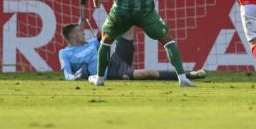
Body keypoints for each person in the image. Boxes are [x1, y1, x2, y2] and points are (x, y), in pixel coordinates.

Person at [59, 24, 206, 81]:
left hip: (115, 58)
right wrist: (73, 77)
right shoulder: (65, 53)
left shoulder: (92, 42)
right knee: (147, 74)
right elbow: (67, 73)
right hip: (111, 71)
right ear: (72, 36)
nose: (83, 33)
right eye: (79, 31)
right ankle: (189, 74)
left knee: (126, 25)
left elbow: (107, 33)